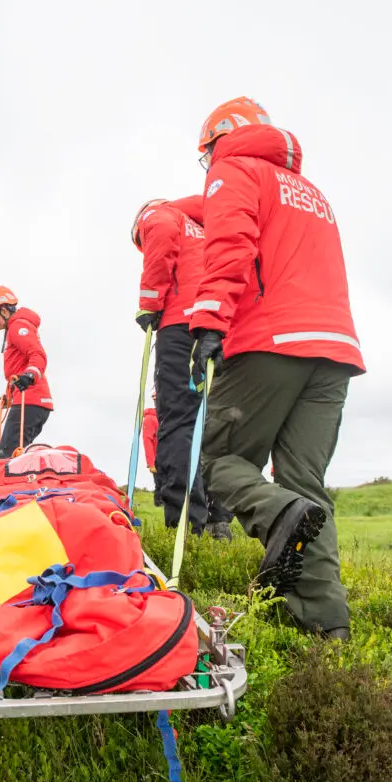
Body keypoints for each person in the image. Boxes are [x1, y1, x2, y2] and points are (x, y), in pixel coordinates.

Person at [190, 96, 365, 638]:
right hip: (334, 348)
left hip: (270, 340)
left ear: (220, 137)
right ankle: (327, 626)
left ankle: (280, 513)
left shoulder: (233, 170)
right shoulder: (313, 193)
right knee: (306, 483)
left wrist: (209, 322)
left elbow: (229, 248)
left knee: (220, 460)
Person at [131, 197, 233, 539]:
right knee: (210, 424)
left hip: (180, 326)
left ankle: (185, 525)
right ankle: (219, 518)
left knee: (176, 422)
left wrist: (149, 303)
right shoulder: (202, 229)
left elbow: (158, 233)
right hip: (215, 326)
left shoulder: (158, 214)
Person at [0, 287, 54, 458]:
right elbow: (17, 368)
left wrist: (30, 376)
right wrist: (10, 395)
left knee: (7, 456)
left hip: (30, 400)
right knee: (16, 457)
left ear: (4, 311)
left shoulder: (17, 327)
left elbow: (38, 354)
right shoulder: (15, 327)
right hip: (30, 400)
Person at [141, 392, 163, 506]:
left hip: (167, 457)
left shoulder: (165, 418)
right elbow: (147, 441)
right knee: (160, 484)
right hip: (157, 459)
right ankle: (159, 504)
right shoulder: (150, 419)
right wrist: (151, 463)